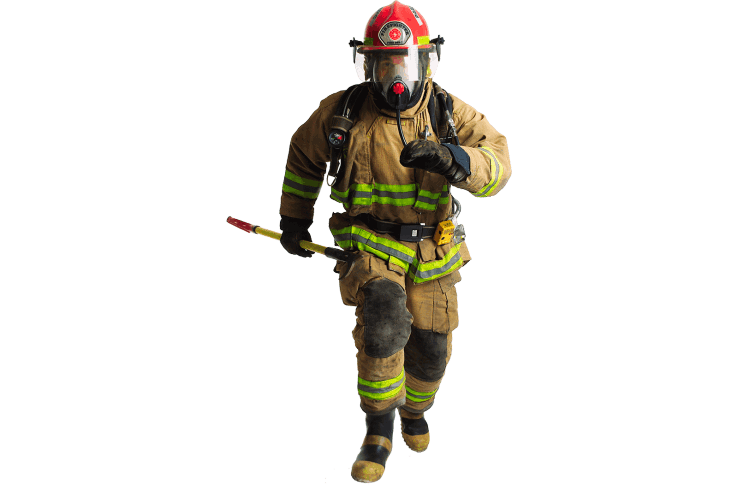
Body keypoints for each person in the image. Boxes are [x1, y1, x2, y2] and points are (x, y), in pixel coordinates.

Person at [278, 1, 511, 482]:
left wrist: (456, 161)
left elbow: (499, 165)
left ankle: (415, 411)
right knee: (383, 324)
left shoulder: (448, 111)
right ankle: (378, 428)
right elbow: (303, 156)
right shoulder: (342, 112)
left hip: (433, 250)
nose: (395, 76)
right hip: (370, 245)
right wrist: (295, 219)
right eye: (384, 64)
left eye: (404, 62)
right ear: (368, 65)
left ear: (427, 62)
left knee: (432, 345)